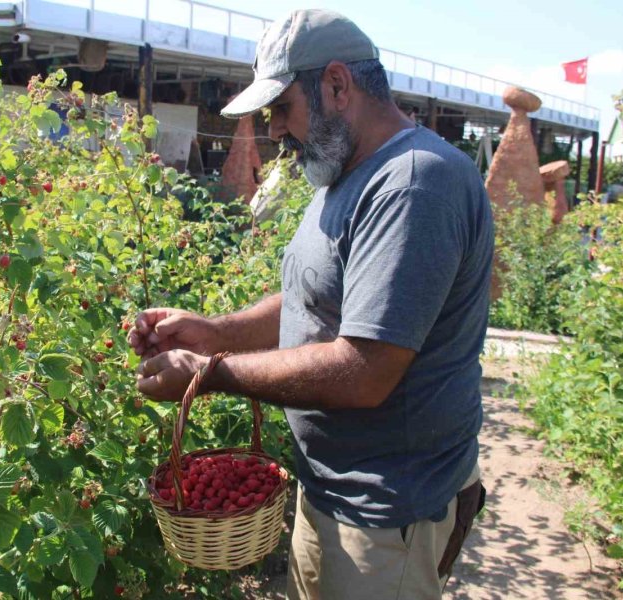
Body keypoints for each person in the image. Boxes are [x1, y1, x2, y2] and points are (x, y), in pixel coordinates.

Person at [128, 9, 492, 600]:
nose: (274, 130)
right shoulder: (344, 174)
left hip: (386, 513)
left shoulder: (414, 184)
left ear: (337, 85)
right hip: (331, 489)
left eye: (281, 108)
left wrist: (210, 375)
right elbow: (314, 295)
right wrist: (214, 332)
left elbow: (364, 370)